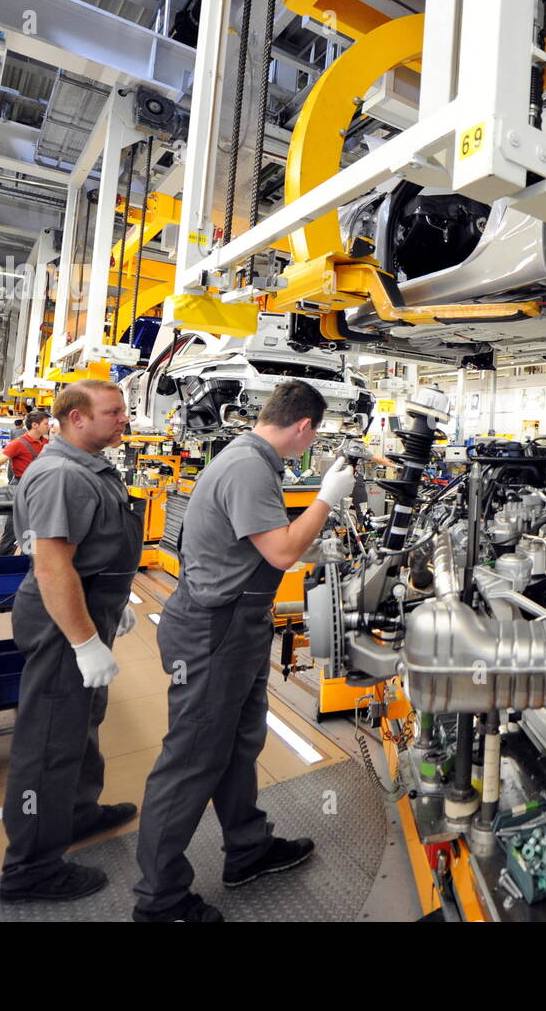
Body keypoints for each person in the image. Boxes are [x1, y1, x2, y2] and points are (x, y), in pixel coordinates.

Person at [132, 380, 356, 923]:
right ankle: (158, 900)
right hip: (215, 630)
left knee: (236, 744)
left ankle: (248, 849)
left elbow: (257, 545)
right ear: (303, 426)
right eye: (315, 434)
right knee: (192, 759)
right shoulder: (249, 466)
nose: (313, 444)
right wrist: (328, 496)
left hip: (238, 622)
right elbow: (279, 551)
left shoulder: (253, 459)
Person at [0, 380, 143, 904]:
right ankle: (30, 868)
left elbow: (88, 552)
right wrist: (84, 641)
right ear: (76, 418)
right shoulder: (60, 473)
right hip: (64, 624)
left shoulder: (87, 466)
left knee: (83, 720)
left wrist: (113, 600)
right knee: (49, 742)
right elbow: (53, 565)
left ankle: (77, 814)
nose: (123, 419)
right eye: (113, 412)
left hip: (87, 607)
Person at [0, 410, 50, 556]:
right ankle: (1, 565)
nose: (49, 427)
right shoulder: (17, 443)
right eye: (46, 424)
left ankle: (25, 563)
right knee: (13, 529)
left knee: (33, 529)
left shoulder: (47, 443)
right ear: (35, 425)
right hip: (21, 487)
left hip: (40, 488)